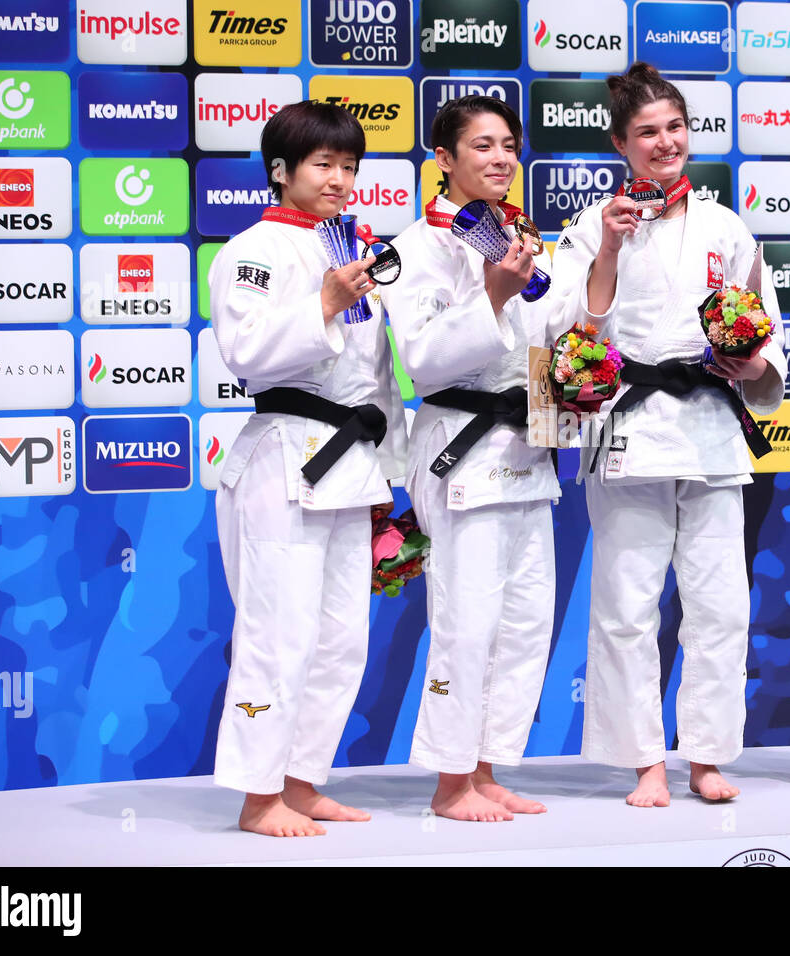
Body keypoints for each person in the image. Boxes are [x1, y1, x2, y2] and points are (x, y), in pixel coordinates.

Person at [551, 63, 786, 808]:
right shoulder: (589, 225)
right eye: (648, 132)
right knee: (627, 602)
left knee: (721, 604)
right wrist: (610, 252)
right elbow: (568, 337)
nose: (665, 142)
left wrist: (753, 361)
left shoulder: (726, 226)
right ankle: (643, 760)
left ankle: (707, 756)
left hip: (710, 424)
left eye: (675, 128)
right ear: (620, 143)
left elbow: (764, 328)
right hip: (628, 426)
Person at [209, 100, 407, 835]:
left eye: (349, 166)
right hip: (284, 456)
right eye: (324, 164)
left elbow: (379, 384)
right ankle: (260, 796)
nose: (339, 178)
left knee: (340, 636)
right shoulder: (253, 250)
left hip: (353, 464)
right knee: (278, 631)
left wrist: (394, 476)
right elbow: (247, 354)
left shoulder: (349, 251)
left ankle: (302, 778)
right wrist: (323, 302)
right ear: (280, 170)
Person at [379, 96, 564, 822]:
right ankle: (450, 780)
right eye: (481, 146)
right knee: (465, 618)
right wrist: (491, 292)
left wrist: (562, 411)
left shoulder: (523, 237)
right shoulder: (414, 248)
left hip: (525, 446)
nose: (499, 158)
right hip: (458, 446)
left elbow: (543, 347)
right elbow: (421, 359)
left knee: (523, 619)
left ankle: (486, 768)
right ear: (444, 160)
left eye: (508, 145)